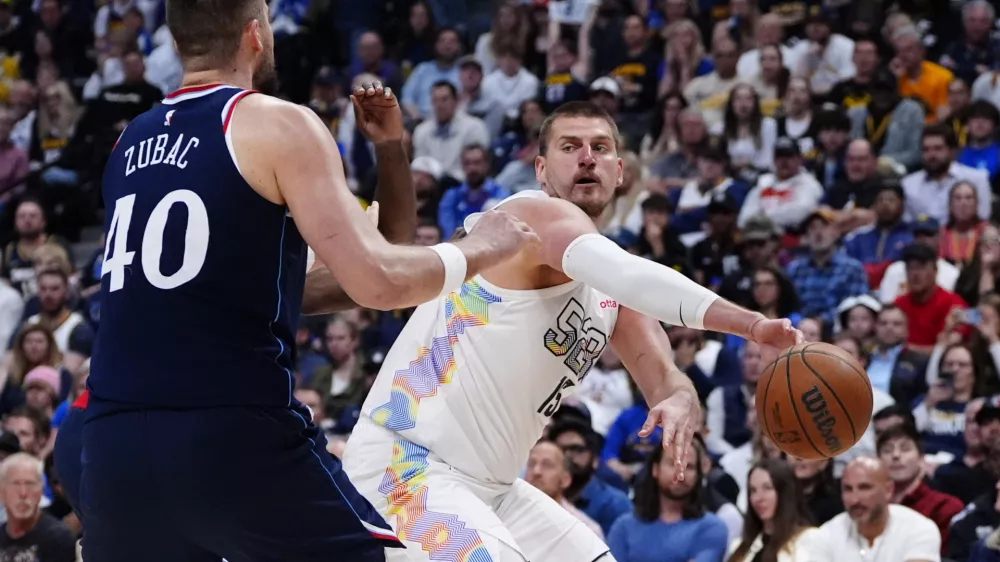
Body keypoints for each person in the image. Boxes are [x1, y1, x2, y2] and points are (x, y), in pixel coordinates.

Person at [74, 0, 541, 559]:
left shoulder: (129, 144)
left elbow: (336, 276)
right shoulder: (277, 123)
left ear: (177, 42)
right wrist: (484, 245)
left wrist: (389, 151)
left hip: (111, 449)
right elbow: (382, 282)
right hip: (231, 432)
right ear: (255, 34)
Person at [342, 101, 803, 561]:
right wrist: (753, 324)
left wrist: (680, 396)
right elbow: (634, 277)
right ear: (541, 170)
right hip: (407, 463)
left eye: (600, 148)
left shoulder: (608, 283)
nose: (587, 157)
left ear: (620, 172)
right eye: (570, 147)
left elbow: (662, 374)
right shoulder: (528, 216)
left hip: (495, 488)